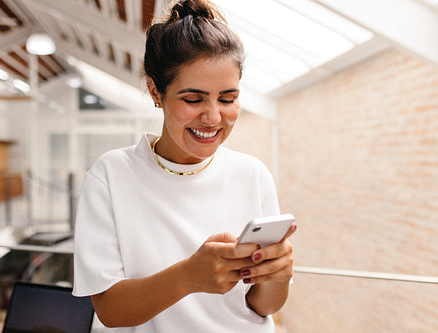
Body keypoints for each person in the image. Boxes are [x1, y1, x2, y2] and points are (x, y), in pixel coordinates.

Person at [72, 0, 296, 332]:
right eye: (193, 99)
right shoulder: (112, 175)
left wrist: (278, 274)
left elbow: (264, 305)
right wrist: (189, 276)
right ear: (155, 91)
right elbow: (110, 311)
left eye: (227, 98)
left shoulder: (253, 175)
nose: (213, 117)